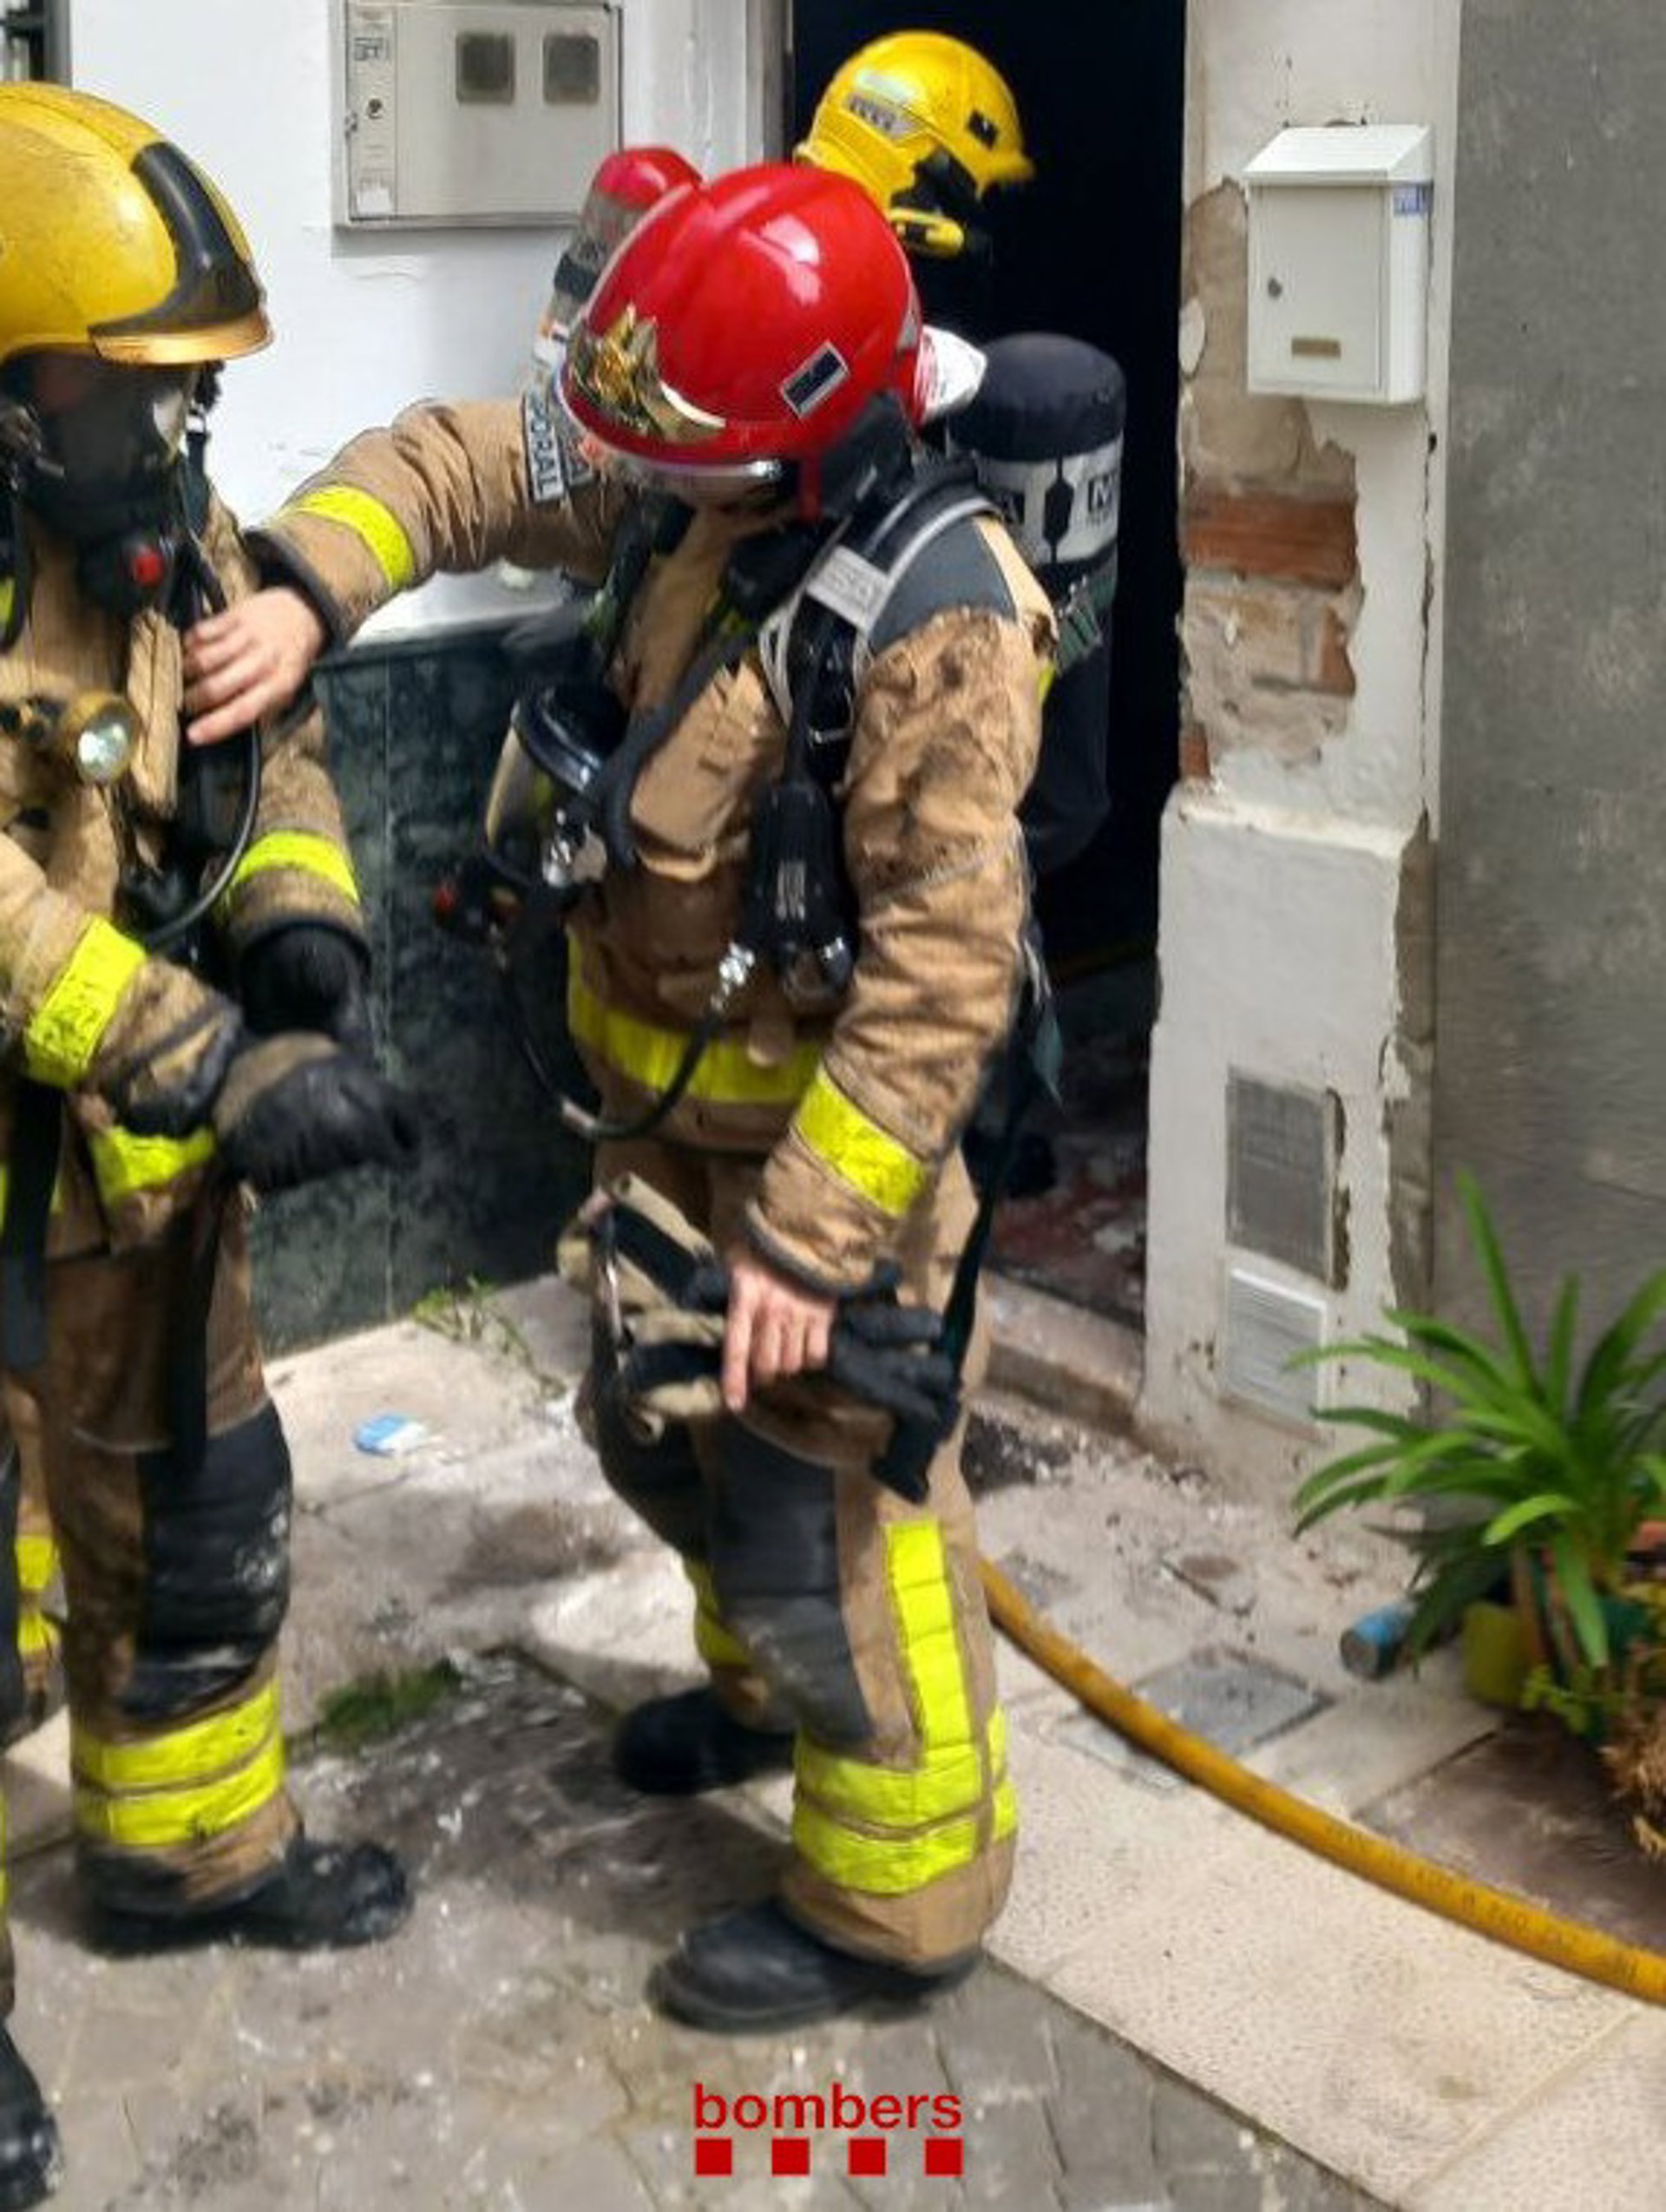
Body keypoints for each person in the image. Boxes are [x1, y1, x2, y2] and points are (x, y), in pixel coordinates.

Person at [181, 160, 1053, 2033]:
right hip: (664, 1137)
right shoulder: (693, 488)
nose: (637, 474)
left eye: (686, 459)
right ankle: (762, 1709)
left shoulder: (938, 620)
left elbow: (943, 970)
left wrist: (812, 1245)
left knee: (826, 1519)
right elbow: (464, 462)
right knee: (659, 1439)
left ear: (810, 441)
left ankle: (897, 1898)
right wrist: (303, 592)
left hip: (827, 1170)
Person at [0, 84, 423, 2205]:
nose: (179, 429)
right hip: (48, 1163)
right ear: (16, 389)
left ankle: (190, 1858)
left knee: (204, 1520)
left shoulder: (164, 531)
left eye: (193, 391)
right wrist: (194, 1048)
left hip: (150, 1196)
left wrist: (304, 943)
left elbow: (279, 751)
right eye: (137, 388)